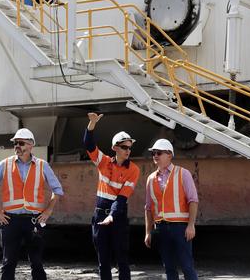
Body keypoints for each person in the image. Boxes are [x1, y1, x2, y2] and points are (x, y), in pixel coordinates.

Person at [0, 128, 64, 280]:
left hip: (34, 221)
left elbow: (58, 190)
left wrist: (48, 211)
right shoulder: (5, 164)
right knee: (8, 263)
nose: (17, 146)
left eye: (20, 143)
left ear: (31, 145)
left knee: (37, 263)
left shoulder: (42, 165)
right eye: (15, 143)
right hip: (10, 221)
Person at [84, 112, 141, 280]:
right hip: (100, 215)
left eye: (130, 147)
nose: (128, 150)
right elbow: (88, 144)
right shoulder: (104, 161)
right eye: (124, 147)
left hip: (118, 216)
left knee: (122, 259)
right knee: (103, 260)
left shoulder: (134, 170)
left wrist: (112, 216)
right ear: (115, 148)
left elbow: (122, 198)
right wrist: (92, 124)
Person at [143, 138, 199, 280]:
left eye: (159, 153)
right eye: (154, 153)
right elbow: (148, 208)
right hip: (161, 229)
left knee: (187, 266)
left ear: (169, 155)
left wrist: (191, 225)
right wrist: (148, 232)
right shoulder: (150, 179)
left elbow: (193, 200)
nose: (155, 155)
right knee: (169, 268)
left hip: (180, 228)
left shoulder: (183, 174)